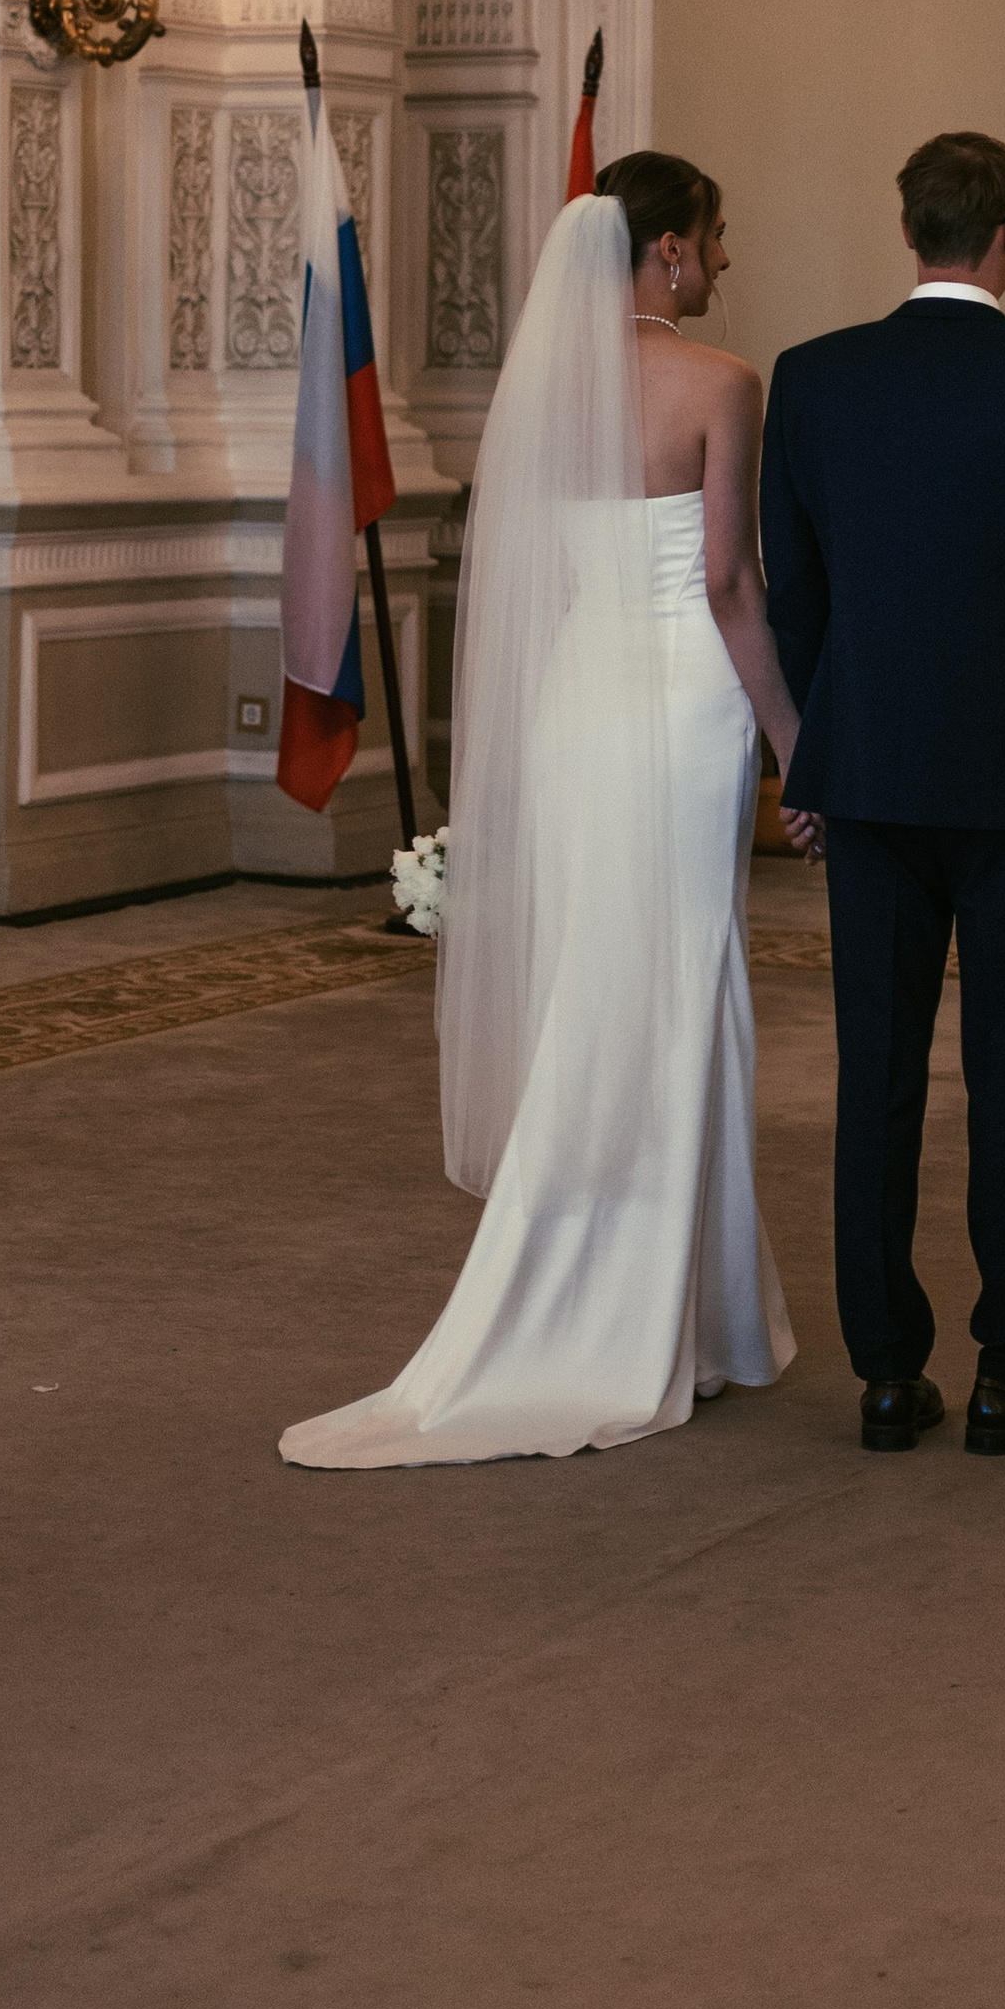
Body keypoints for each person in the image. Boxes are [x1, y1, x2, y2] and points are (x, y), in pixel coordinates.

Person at [280, 154, 797, 1468]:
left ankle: (680, 1305)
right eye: (714, 236)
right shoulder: (724, 382)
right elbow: (731, 582)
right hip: (682, 693)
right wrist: (798, 743)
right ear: (668, 249)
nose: (722, 260)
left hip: (578, 695)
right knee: (681, 976)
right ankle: (650, 1312)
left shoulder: (543, 388)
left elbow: (545, 578)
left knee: (598, 971)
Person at [760, 130, 1005, 1461]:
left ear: (908, 228)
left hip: (867, 775)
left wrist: (810, 756)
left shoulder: (814, 377)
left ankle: (885, 1373)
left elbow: (795, 593)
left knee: (875, 1073)